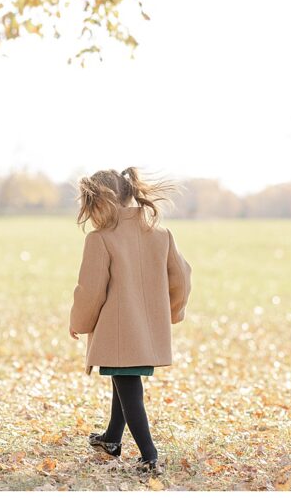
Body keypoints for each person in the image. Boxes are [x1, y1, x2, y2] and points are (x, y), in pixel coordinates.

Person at [68, 167, 192, 476]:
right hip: (145, 330)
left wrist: (79, 322)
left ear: (102, 203)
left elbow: (90, 290)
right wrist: (171, 312)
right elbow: (182, 277)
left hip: (117, 329)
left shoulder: (100, 239)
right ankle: (111, 439)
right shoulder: (160, 234)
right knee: (122, 381)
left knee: (128, 387)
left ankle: (149, 457)